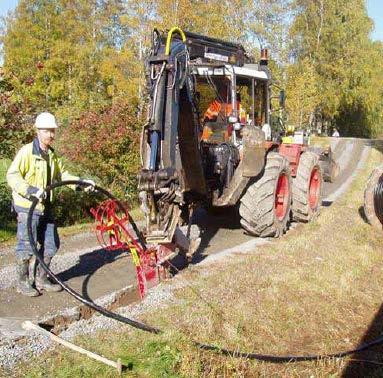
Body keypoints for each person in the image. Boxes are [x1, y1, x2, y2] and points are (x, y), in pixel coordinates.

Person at [6, 112, 95, 297]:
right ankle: (22, 283)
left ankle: (41, 278)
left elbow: (62, 177)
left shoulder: (52, 155)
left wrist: (82, 183)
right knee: (26, 246)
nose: (51, 135)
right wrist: (30, 190)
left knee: (51, 244)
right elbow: (12, 176)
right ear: (38, 131)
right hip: (27, 207)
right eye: (47, 131)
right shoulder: (26, 152)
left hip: (46, 206)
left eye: (53, 131)